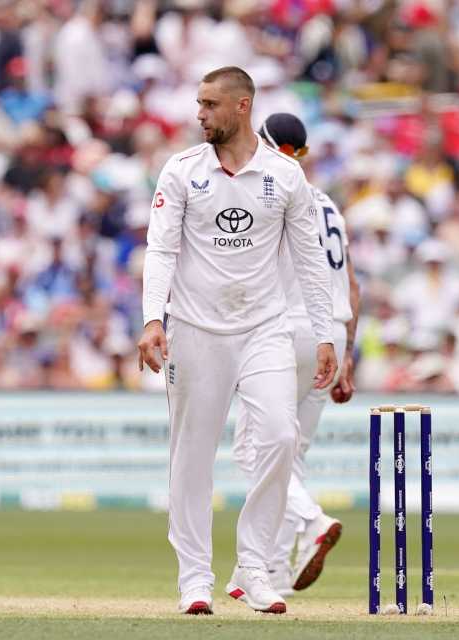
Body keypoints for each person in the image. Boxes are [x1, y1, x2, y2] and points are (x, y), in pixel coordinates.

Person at [137, 67, 336, 615]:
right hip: (197, 332)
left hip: (265, 328)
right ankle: (194, 579)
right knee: (192, 458)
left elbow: (309, 259)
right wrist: (153, 319)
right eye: (198, 103)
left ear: (242, 106)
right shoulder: (181, 170)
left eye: (209, 104)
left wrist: (324, 333)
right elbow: (160, 250)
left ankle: (254, 567)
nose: (199, 113)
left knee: (277, 436)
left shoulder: (285, 176)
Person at [233, 113, 360, 598]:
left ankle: (311, 521)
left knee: (254, 449)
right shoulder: (328, 203)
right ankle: (275, 572)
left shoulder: (268, 192)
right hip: (334, 332)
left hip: (285, 330)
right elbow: (351, 285)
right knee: (293, 454)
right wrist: (346, 355)